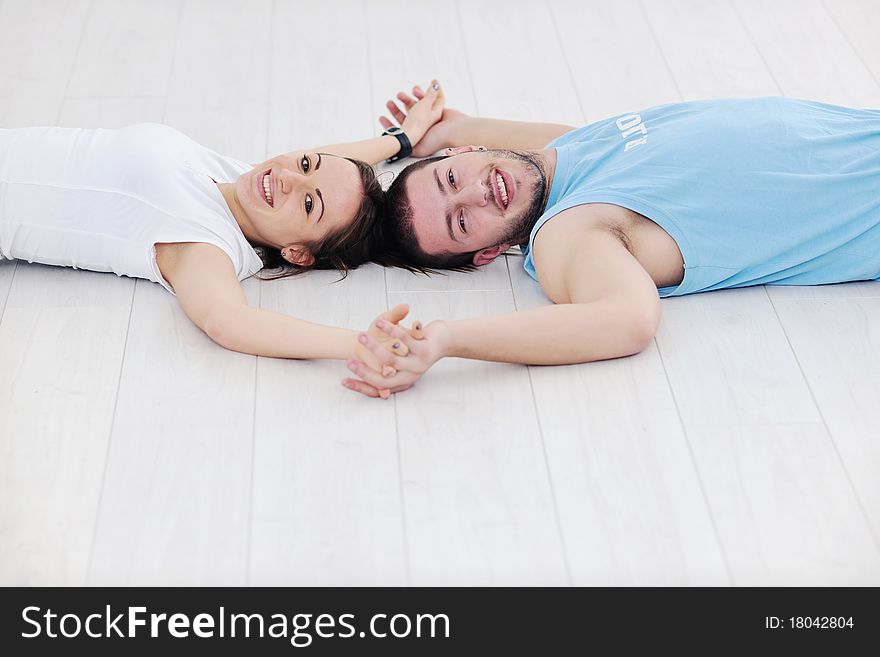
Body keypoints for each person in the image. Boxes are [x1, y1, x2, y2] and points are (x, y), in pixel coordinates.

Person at [342, 87, 880, 397]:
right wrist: (447, 340)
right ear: (486, 255)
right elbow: (628, 319)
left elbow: (537, 141)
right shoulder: (569, 232)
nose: (480, 194)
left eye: (451, 180)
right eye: (462, 223)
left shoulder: (572, 152)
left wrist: (420, 137)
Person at [0, 80, 445, 371]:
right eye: (305, 163)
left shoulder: (203, 242)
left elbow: (228, 321)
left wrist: (360, 344)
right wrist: (399, 140)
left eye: (309, 204)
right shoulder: (239, 178)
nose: (289, 177)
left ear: (297, 252)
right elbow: (326, 167)